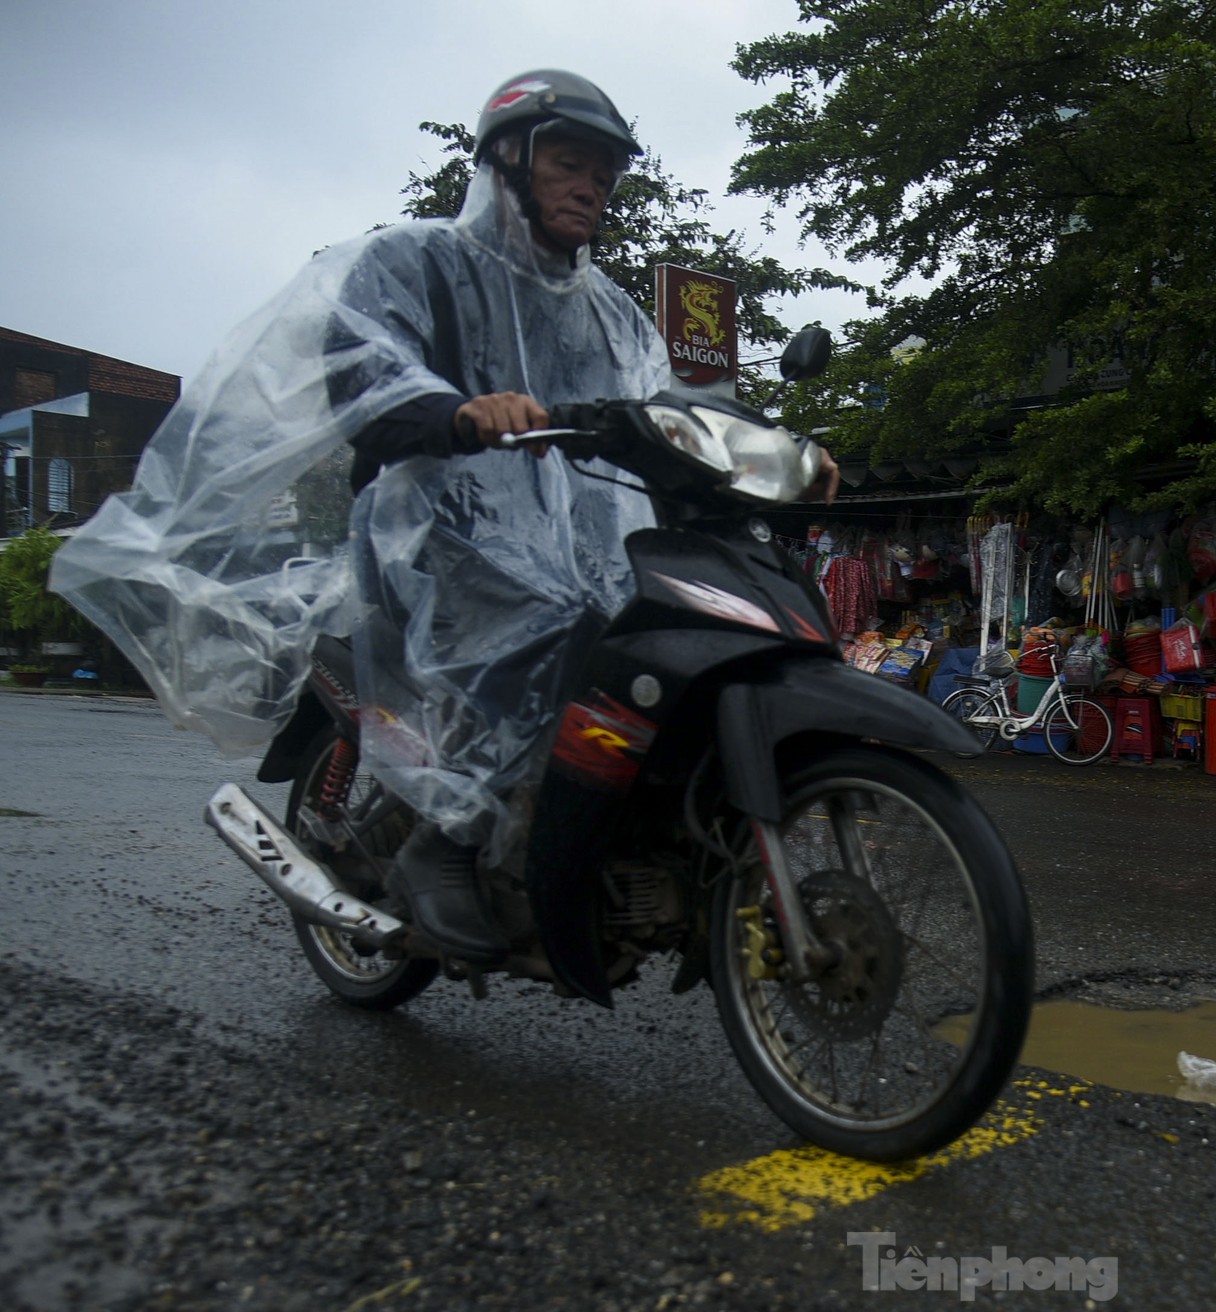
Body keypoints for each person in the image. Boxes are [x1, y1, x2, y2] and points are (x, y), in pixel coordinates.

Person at [52, 70, 837, 965]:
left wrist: (784, 450)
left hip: (580, 541)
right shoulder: (415, 261)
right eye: (569, 165)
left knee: (662, 640)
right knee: (562, 620)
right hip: (433, 535)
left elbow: (670, 405)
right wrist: (458, 411)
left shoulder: (610, 312)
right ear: (509, 162)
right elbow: (367, 369)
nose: (591, 187)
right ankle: (448, 839)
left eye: (603, 175)